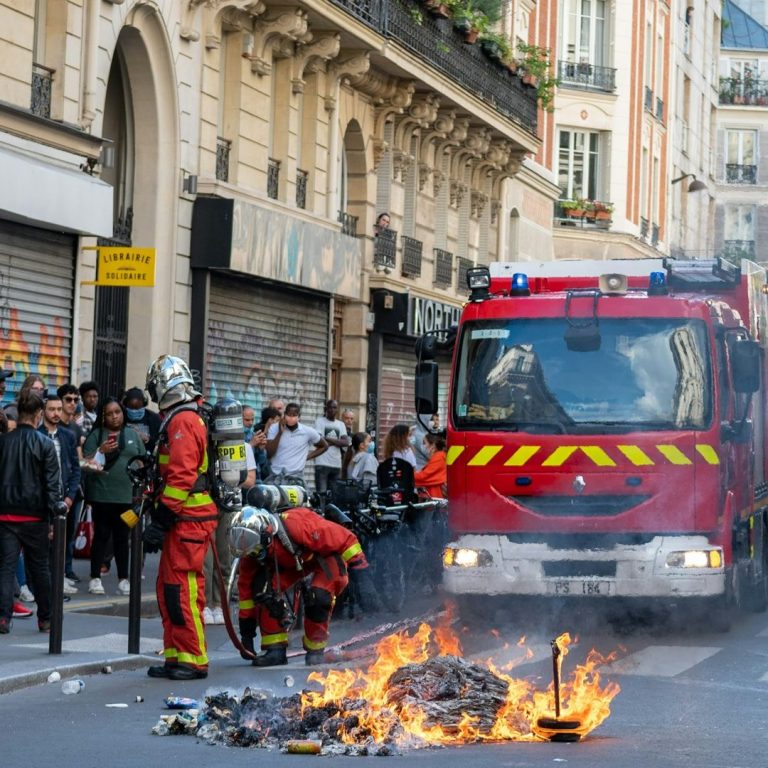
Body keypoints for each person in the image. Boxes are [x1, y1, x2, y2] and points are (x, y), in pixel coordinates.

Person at [143, 354, 219, 681]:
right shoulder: (181, 417)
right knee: (169, 588)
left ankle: (194, 659)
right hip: (184, 517)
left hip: (187, 517)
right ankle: (176, 655)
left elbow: (181, 476)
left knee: (183, 589)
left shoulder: (183, 421)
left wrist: (160, 521)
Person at [230, 504, 370, 666]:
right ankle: (275, 649)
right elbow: (246, 594)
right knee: (263, 592)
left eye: (254, 548)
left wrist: (362, 572)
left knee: (319, 597)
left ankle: (315, 650)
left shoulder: (298, 525)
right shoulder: (251, 552)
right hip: (292, 563)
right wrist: (247, 634)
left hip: (323, 558)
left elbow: (346, 538)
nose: (253, 554)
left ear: (266, 534)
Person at [0, 391, 61, 634]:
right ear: (38, 414)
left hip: (5, 515)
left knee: (5, 568)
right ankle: (45, 618)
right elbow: (52, 485)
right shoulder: (44, 443)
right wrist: (53, 519)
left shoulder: (3, 441)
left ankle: (3, 618)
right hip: (35, 516)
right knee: (41, 569)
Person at [82, 398, 143, 596]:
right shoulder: (97, 435)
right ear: (103, 416)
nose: (114, 416)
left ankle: (124, 579)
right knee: (101, 536)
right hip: (102, 496)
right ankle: (95, 578)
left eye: (117, 412)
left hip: (126, 497)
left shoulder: (132, 434)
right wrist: (101, 451)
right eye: (109, 413)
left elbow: (142, 461)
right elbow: (85, 462)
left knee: (122, 538)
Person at [38, 395, 81, 596]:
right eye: (51, 409)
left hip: (64, 499)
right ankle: (42, 589)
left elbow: (75, 468)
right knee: (42, 545)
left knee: (61, 544)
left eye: (58, 409)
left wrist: (70, 496)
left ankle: (56, 587)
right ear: (43, 411)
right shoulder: (37, 435)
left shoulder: (68, 435)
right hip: (43, 499)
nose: (56, 413)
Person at [266, 402, 328, 482]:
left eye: (294, 415)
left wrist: (306, 457)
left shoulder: (307, 431)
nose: (291, 417)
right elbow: (269, 453)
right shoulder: (274, 428)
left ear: (299, 416)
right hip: (275, 475)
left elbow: (324, 446)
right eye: (289, 414)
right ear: (284, 414)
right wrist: (280, 433)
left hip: (296, 477)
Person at [313, 399, 350, 493]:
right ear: (326, 408)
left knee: (334, 495)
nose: (332, 410)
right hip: (322, 463)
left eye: (334, 408)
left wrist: (326, 438)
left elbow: (346, 442)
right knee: (322, 493)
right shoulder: (320, 421)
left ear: (337, 410)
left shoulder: (341, 424)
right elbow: (318, 441)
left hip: (336, 464)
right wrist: (338, 441)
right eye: (330, 407)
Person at [122, 387, 161, 453]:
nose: (134, 411)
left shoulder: (154, 418)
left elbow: (159, 441)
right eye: (131, 407)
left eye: (137, 407)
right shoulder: (122, 417)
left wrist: (147, 439)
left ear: (144, 404)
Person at [414, 432, 448, 499]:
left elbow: (425, 476)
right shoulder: (440, 455)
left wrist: (408, 475)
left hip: (436, 495)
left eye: (425, 443)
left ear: (432, 444)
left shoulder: (438, 456)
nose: (424, 446)